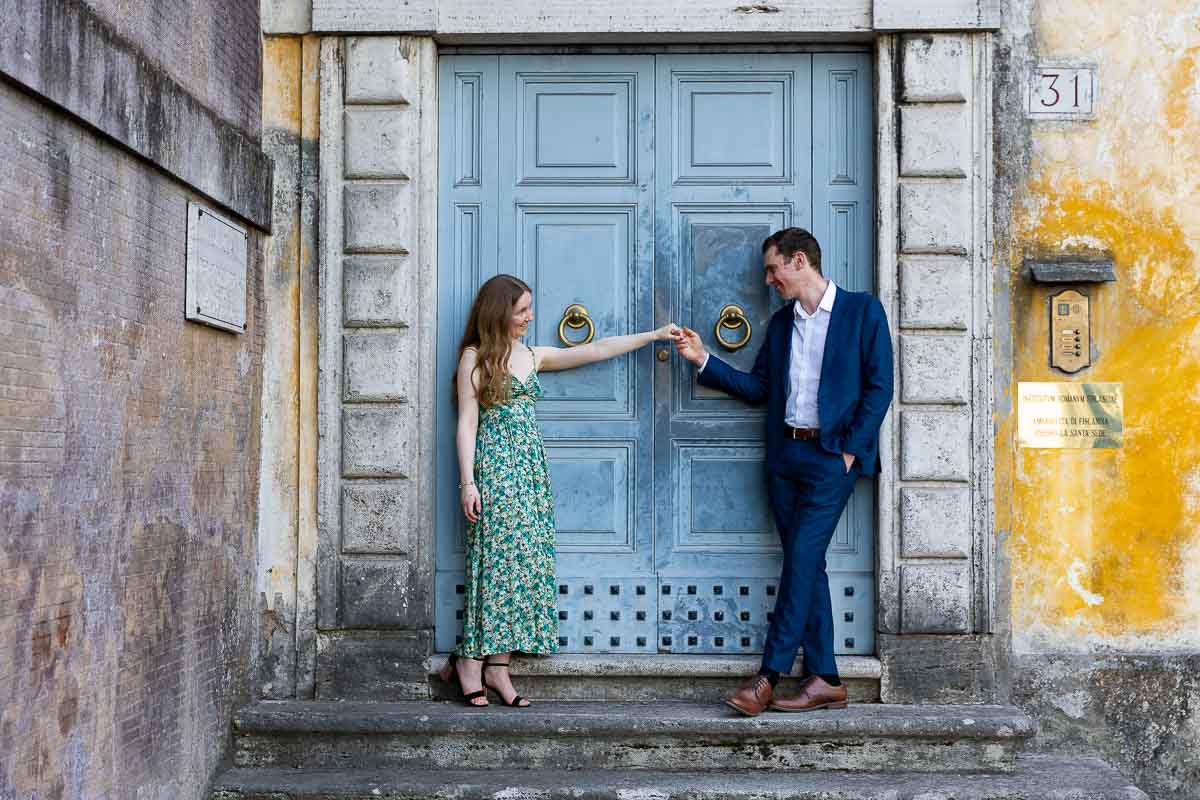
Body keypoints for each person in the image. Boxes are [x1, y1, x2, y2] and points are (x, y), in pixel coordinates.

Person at [673, 228, 893, 716]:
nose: (769, 280)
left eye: (773, 270)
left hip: (831, 460)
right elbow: (758, 389)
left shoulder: (862, 311)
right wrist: (703, 358)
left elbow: (880, 387)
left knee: (799, 562)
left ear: (799, 261)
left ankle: (767, 677)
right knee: (806, 565)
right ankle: (826, 678)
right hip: (785, 461)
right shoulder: (780, 325)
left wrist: (850, 453)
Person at [442, 274, 678, 707]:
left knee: (525, 565)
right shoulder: (474, 359)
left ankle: (499, 668)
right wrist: (467, 483)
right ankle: (469, 661)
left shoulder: (532, 356)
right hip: (495, 469)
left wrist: (654, 335)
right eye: (522, 311)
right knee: (493, 564)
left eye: (529, 308)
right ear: (499, 314)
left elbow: (594, 349)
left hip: (531, 472)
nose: (530, 318)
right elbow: (467, 424)